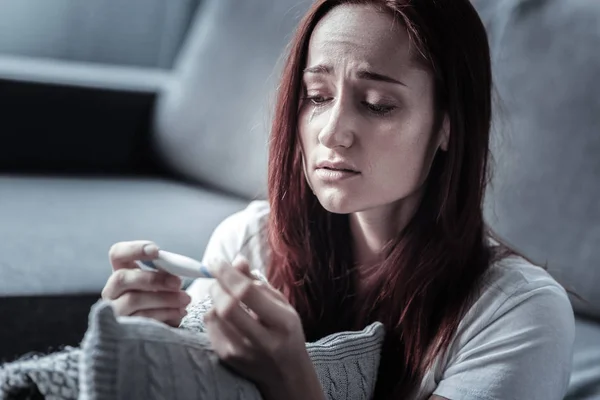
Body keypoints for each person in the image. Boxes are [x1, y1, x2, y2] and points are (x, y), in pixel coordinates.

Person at [101, 1, 575, 399]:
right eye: (317, 95)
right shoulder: (247, 244)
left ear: (449, 124)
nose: (332, 132)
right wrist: (148, 345)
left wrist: (295, 386)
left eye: (377, 105)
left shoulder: (521, 314)